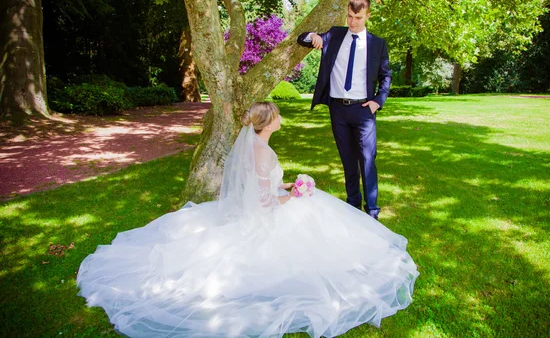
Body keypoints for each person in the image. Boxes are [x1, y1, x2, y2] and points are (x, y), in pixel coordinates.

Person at [77, 102, 418, 338]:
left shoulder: (255, 147)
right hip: (263, 220)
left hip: (253, 206)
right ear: (268, 123)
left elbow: (259, 185)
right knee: (316, 220)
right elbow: (268, 203)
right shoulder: (263, 154)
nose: (281, 118)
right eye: (278, 115)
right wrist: (295, 194)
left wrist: (285, 183)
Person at [297, 0, 391, 220]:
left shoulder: (377, 44)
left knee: (367, 159)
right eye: (349, 16)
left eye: (357, 17)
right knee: (348, 160)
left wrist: (378, 101)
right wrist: (311, 36)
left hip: (363, 110)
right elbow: (302, 39)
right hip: (338, 109)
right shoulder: (335, 35)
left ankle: (372, 212)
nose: (352, 22)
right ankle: (352, 207)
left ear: (367, 15)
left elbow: (385, 76)